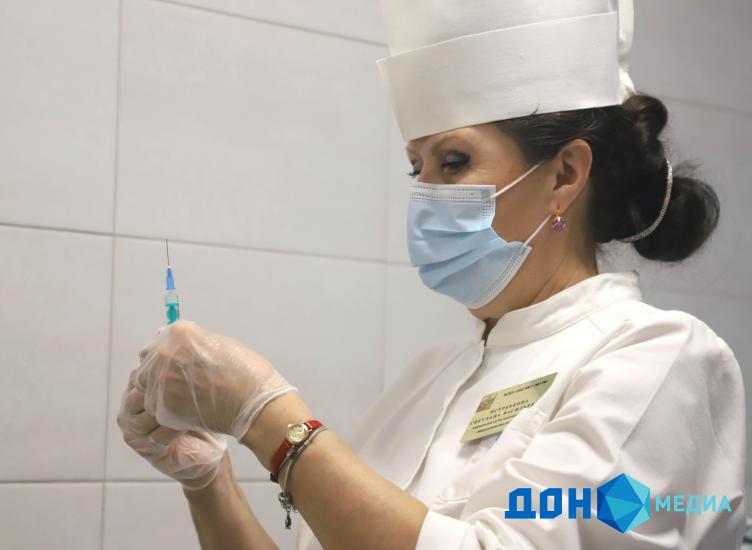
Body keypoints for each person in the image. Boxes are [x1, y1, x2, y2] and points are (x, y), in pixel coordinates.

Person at [116, 0, 747, 548]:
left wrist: (268, 417)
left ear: (564, 175)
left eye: (454, 160)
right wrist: (209, 480)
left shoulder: (662, 361)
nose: (425, 195)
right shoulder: (431, 379)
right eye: (416, 167)